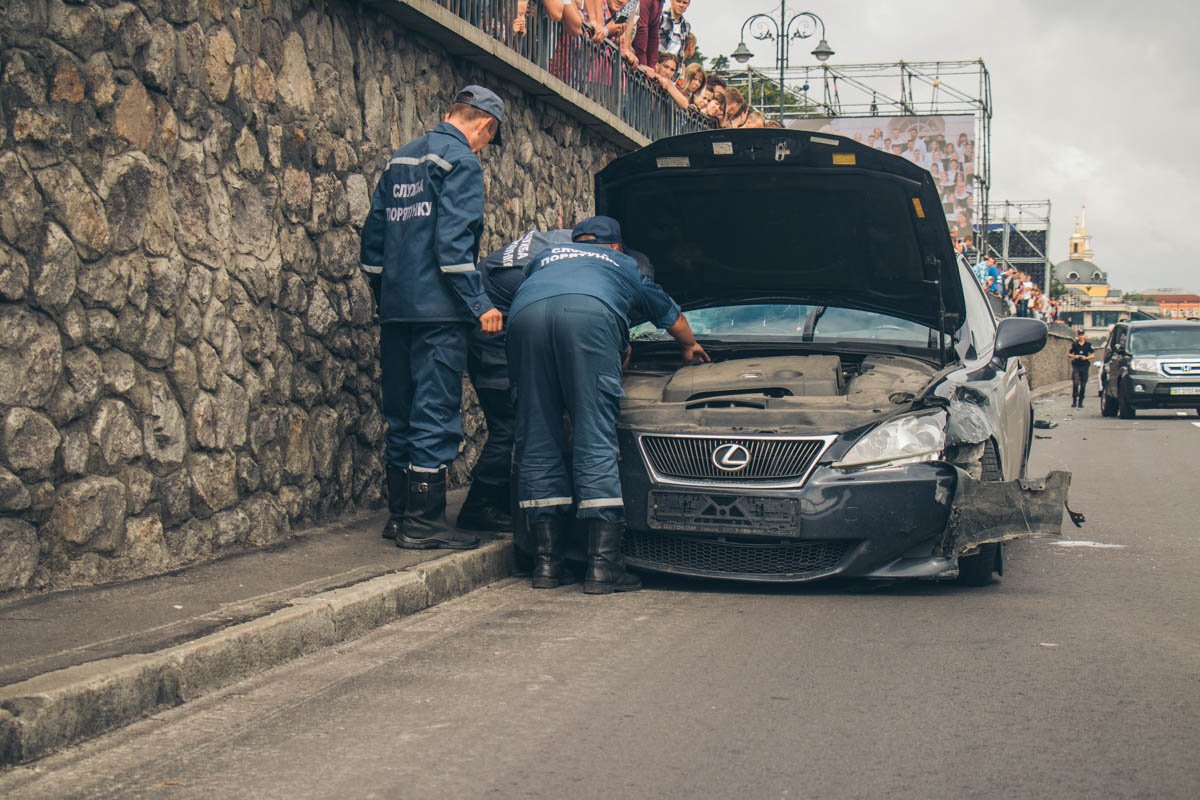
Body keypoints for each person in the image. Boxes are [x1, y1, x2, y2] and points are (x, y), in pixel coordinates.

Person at [507, 216, 709, 594]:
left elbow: (540, 293)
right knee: (593, 433)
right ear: (615, 246)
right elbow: (670, 315)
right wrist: (688, 345)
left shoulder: (545, 257)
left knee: (536, 435)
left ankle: (547, 564)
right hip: (587, 320)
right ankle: (603, 566)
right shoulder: (622, 264)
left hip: (525, 320)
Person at [360, 86, 505, 551]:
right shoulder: (461, 162)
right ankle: (425, 522)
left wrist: (389, 296)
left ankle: (400, 515)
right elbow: (453, 249)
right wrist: (480, 304)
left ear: (450, 113)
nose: (484, 147)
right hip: (440, 313)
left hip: (398, 310)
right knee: (434, 412)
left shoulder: (400, 158)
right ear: (486, 126)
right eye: (489, 139)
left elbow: (373, 245)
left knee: (400, 412)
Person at [457, 229, 575, 532]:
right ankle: (479, 507)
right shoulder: (556, 263)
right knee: (508, 426)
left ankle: (498, 501)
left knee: (511, 423)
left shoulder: (557, 243)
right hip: (491, 339)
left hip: (488, 331)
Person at [1069, 329, 1094, 408]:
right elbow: (1069, 354)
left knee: (1083, 384)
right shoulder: (1075, 344)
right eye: (1079, 335)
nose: (1081, 336)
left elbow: (1093, 355)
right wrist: (1074, 356)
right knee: (1076, 383)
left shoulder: (1088, 345)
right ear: (1078, 335)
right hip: (1076, 365)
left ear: (1084, 335)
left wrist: (1086, 358)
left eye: (1082, 335)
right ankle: (1074, 401)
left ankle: (1080, 402)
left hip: (1085, 366)